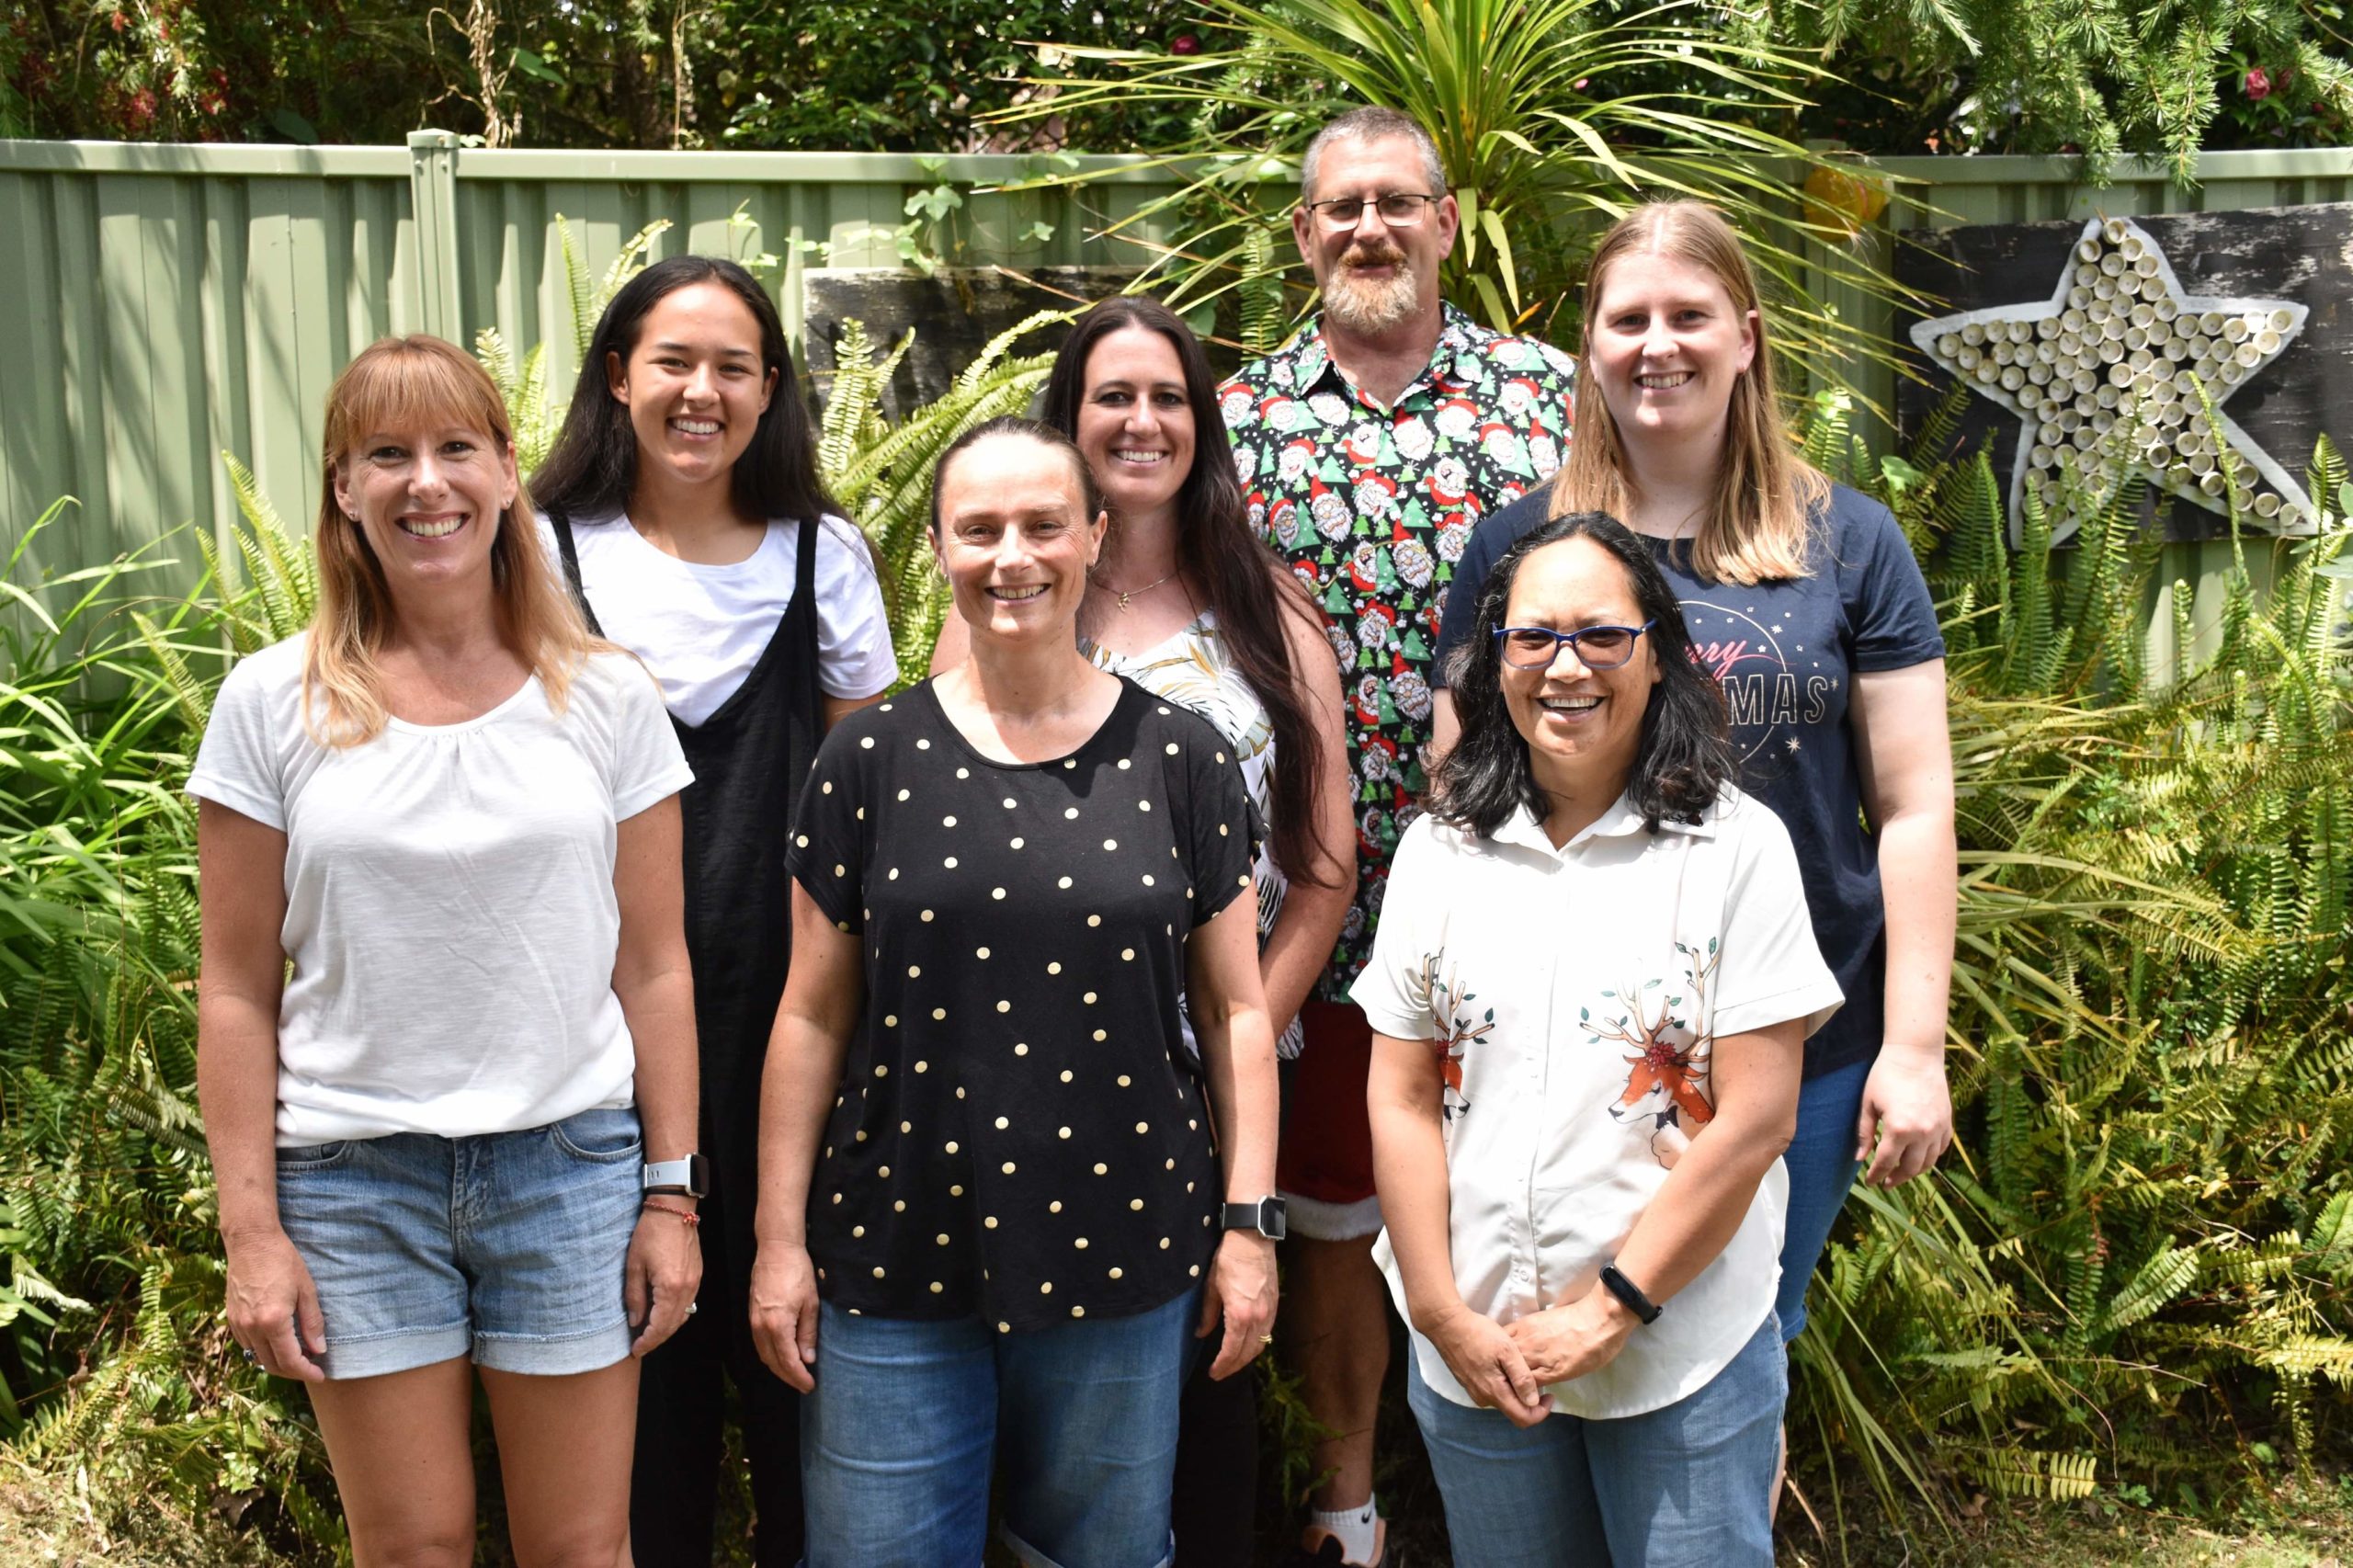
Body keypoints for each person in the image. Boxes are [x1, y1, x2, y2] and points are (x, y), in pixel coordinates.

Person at [1431, 199, 1957, 1501]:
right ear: (1590, 346)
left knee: (1744, 1340)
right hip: (1568, 1049)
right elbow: (1463, 797)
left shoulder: (1850, 542)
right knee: (1550, 1334)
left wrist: (1914, 1042)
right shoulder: (1516, 547)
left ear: (1747, 337)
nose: (1656, 344)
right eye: (1628, 319)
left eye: (1688, 316)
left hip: (1802, 1044)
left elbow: (1913, 803)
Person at [192, 335, 701, 1566]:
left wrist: (670, 1192)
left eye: (456, 447)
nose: (427, 482)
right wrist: (251, 1231)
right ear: (342, 487)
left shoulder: (607, 696)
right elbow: (236, 987)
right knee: (411, 1547)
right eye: (386, 454)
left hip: (569, 1170)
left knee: (582, 1548)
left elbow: (655, 966)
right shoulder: (270, 703)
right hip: (352, 1181)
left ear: (507, 470)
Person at [751, 418, 1285, 1568]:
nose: (1013, 556)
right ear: (938, 548)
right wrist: (777, 1239)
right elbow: (811, 1013)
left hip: (1127, 1242)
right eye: (979, 528)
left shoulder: (1181, 758)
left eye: (1043, 524)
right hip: (893, 1246)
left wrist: (1248, 1226)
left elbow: (1236, 1012)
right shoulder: (866, 761)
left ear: (1093, 535)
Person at [936, 295, 1355, 1563]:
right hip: (1042, 1067)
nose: (1141, 420)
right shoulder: (1014, 588)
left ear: (1201, 421)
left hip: (1228, 1061)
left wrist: (1236, 1042)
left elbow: (1322, 866)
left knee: (1208, 1375)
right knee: (1052, 1398)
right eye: (1112, 396)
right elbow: (952, 829)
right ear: (1068, 420)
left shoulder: (1272, 609)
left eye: (1167, 396)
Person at [1217, 103, 1575, 1568]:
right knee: (1331, 1210)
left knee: (1532, 1175)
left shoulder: (1550, 402)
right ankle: (1349, 1502)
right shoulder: (1235, 421)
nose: (1370, 227)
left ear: (1444, 219)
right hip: (1306, 898)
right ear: (1306, 234)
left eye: (1396, 202)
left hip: (1520, 882)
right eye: (1342, 207)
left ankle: (1549, 1469)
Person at [1368, 511, 1843, 1564]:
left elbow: (1758, 1116)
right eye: (1533, 636)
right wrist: (1438, 1311)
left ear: (1657, 653)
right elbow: (1400, 1096)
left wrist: (1610, 1309)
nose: (1565, 664)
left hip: (1678, 1347)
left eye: (1601, 634)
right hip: (1477, 1348)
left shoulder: (1736, 848)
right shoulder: (1439, 852)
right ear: (1494, 659)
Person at [530, 254, 895, 1566]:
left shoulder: (822, 557)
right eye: (672, 361)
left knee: (802, 1372)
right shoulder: (536, 551)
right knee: (635, 1396)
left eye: (734, 366)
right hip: (588, 1037)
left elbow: (866, 809)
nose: (702, 391)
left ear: (773, 389)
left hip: (789, 1029)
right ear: (616, 375)